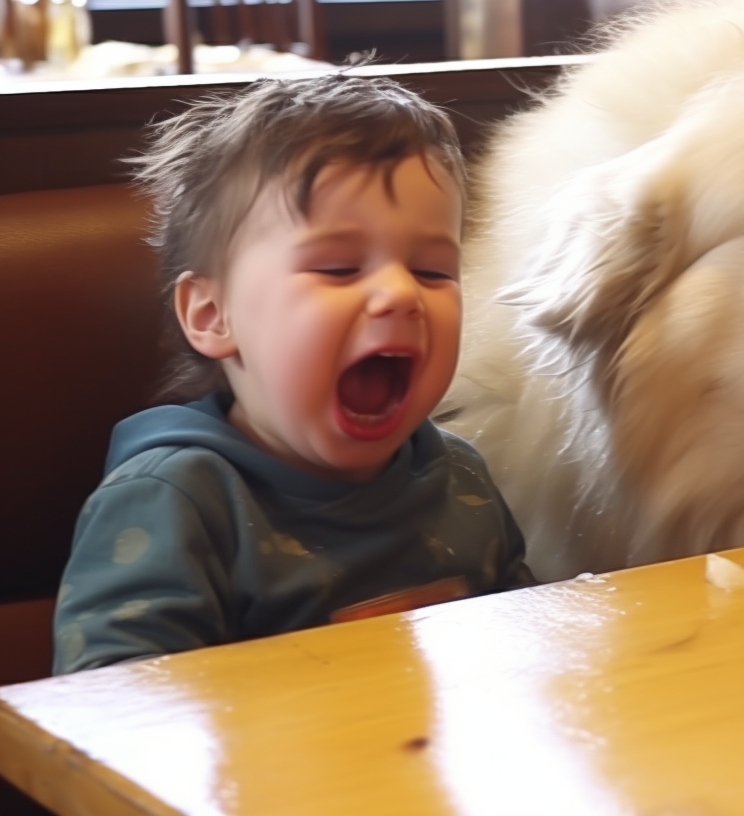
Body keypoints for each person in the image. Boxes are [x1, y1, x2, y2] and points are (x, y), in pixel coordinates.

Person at [52, 74, 534, 674]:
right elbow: (106, 715)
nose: (400, 293)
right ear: (212, 315)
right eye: (338, 267)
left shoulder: (459, 474)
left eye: (433, 271)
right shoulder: (176, 500)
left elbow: (525, 649)